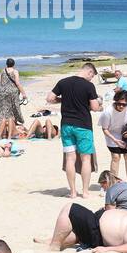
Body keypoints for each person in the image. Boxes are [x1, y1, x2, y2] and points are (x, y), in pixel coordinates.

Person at [38, 200, 127, 253]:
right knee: (78, 233)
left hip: (98, 233)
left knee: (70, 209)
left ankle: (54, 246)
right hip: (97, 224)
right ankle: (52, 240)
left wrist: (107, 249)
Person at [48, 62, 101, 199]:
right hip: (83, 125)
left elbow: (50, 98)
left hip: (66, 125)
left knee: (70, 159)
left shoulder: (63, 82)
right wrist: (97, 104)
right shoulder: (88, 86)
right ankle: (85, 192)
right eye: (92, 76)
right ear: (89, 72)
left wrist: (62, 100)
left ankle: (72, 192)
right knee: (85, 159)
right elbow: (95, 107)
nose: (91, 79)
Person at [98, 89, 127, 181]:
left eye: (124, 104)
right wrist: (115, 140)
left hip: (126, 133)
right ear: (115, 102)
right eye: (119, 104)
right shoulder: (107, 112)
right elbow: (105, 129)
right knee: (116, 157)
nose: (121, 106)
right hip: (112, 134)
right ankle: (113, 183)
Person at [0, 58, 27, 138]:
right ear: (14, 64)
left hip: (2, 91)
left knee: (4, 107)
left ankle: (4, 120)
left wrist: (0, 90)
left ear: (6, 64)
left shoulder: (2, 71)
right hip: (12, 91)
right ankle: (13, 121)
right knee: (14, 106)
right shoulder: (15, 71)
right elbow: (17, 83)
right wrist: (23, 93)